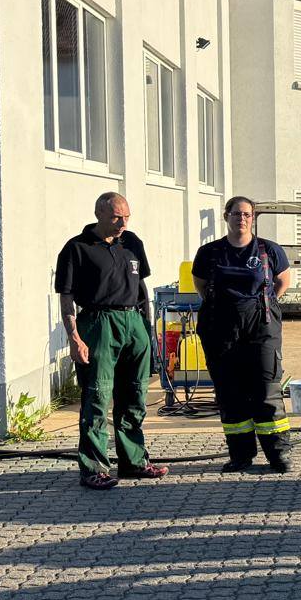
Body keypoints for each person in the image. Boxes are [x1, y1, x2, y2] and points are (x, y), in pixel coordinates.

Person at [54, 192, 169, 490]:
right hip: (99, 323)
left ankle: (133, 461)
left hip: (134, 322)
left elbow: (140, 286)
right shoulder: (76, 248)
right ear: (99, 214)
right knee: (97, 397)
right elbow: (66, 298)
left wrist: (147, 328)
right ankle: (93, 468)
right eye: (116, 217)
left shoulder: (132, 243)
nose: (122, 223)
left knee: (134, 395)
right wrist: (75, 338)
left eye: (127, 217)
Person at [191, 197, 294, 473]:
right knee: (229, 392)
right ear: (226, 216)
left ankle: (278, 454)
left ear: (253, 218)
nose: (242, 219)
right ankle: (240, 455)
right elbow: (200, 284)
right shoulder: (209, 253)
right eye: (236, 214)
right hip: (220, 330)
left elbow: (283, 280)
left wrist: (264, 304)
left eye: (247, 214)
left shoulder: (268, 250)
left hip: (261, 327)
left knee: (266, 388)